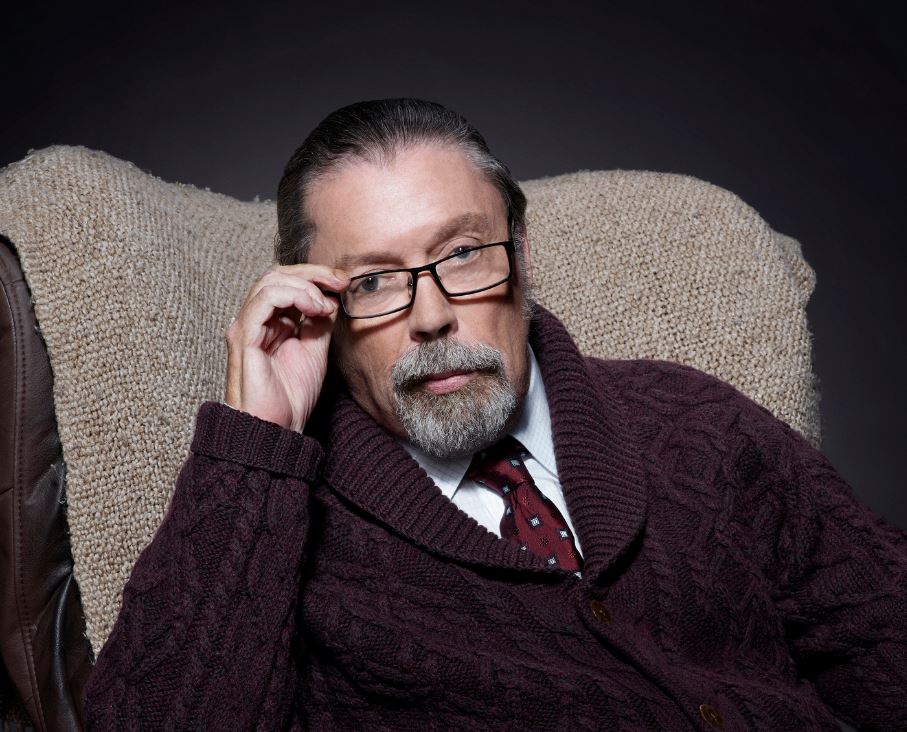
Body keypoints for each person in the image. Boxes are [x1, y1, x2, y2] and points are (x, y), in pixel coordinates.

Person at [83, 98, 907, 730]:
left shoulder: (697, 422)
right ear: (319, 307)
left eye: (462, 254)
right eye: (372, 280)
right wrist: (256, 450)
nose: (432, 316)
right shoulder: (282, 528)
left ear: (520, 254)